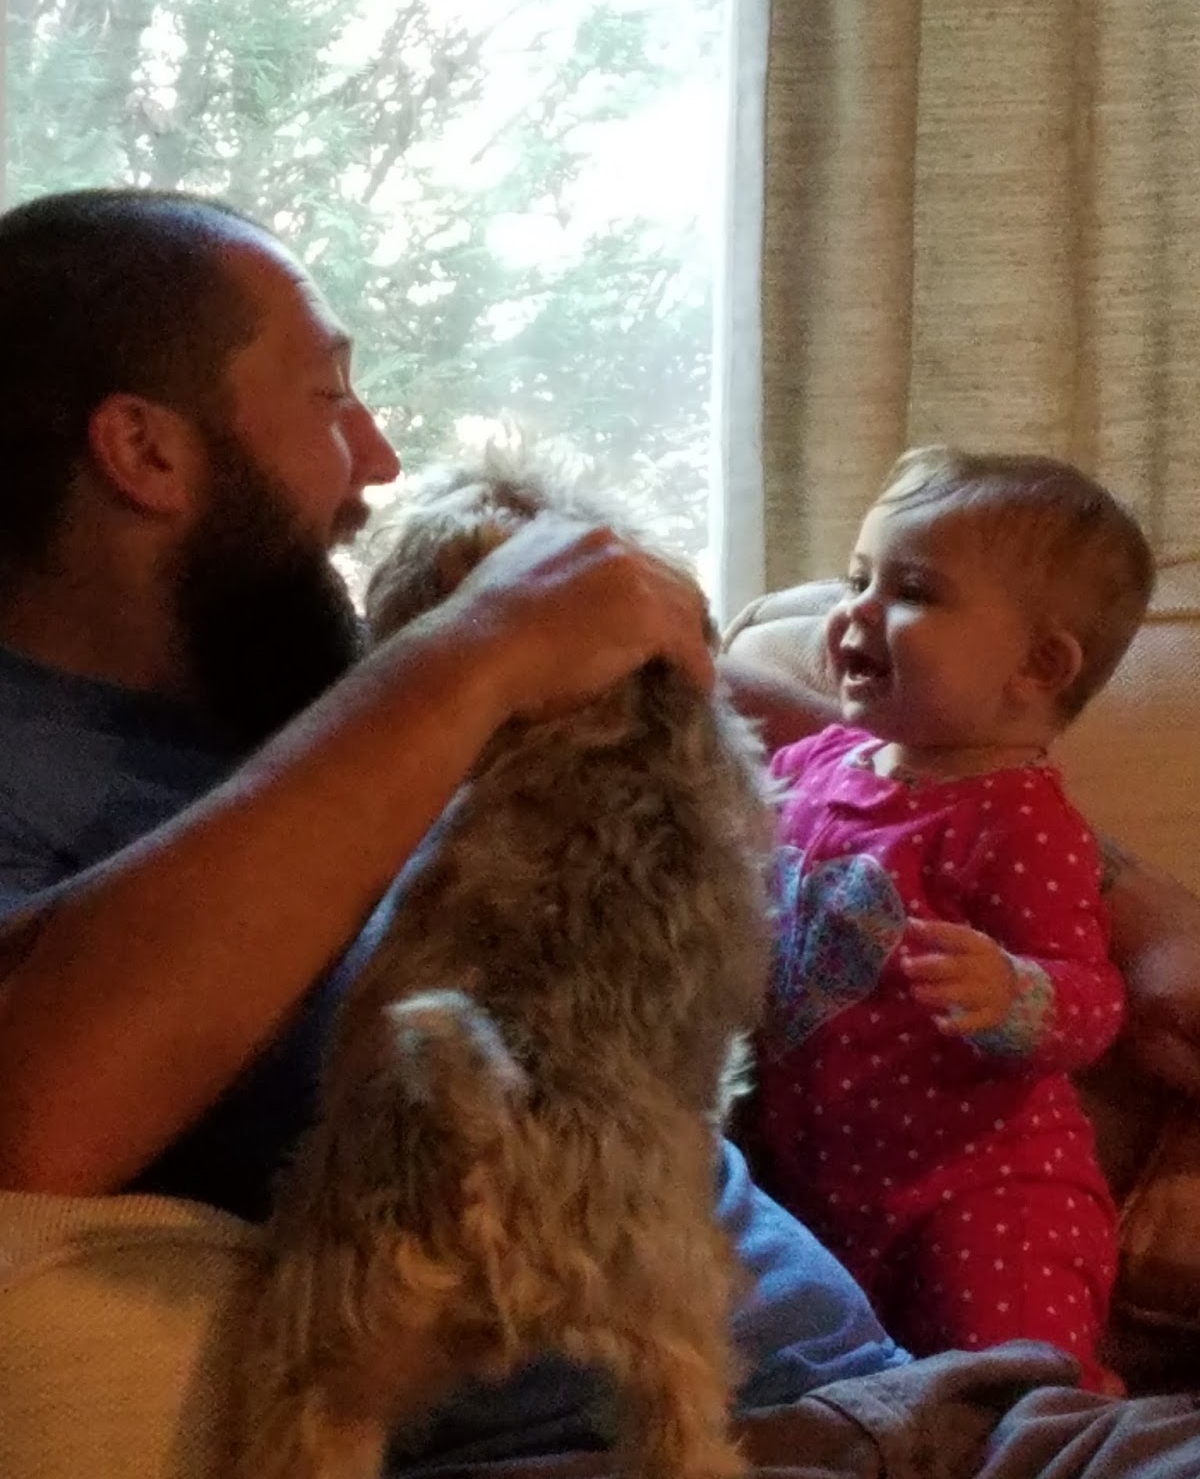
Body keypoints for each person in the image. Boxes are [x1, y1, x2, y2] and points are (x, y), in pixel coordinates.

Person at [0, 188, 1196, 1478]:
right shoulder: (51, 761)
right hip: (647, 1438)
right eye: (329, 397)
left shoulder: (303, 673)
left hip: (927, 1401)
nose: (380, 458)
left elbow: (836, 744)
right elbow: (33, 1117)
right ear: (144, 450)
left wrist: (1137, 909)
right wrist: (477, 648)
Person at [748, 447, 1153, 1391]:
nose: (856, 610)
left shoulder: (1020, 821)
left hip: (983, 1192)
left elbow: (1095, 1001)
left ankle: (1080, 1432)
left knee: (1016, 1391)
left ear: (1038, 666)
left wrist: (1013, 991)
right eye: (858, 578)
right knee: (847, 1398)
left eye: (913, 592)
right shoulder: (817, 763)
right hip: (813, 1181)